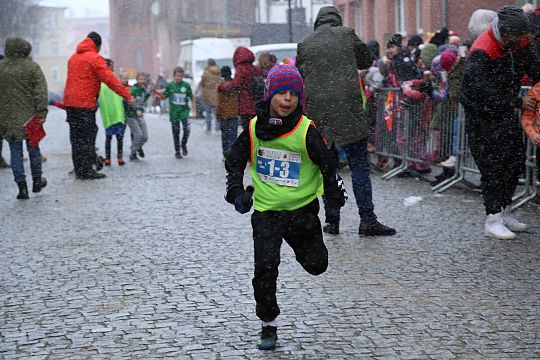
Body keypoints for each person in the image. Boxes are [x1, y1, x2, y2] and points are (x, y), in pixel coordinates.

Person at [225, 65, 345, 350]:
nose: (287, 100)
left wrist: (333, 197)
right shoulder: (254, 127)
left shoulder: (305, 130)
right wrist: (236, 193)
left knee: (317, 265)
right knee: (265, 268)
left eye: (293, 94)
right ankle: (268, 324)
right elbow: (234, 161)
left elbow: (328, 166)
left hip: (302, 211)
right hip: (266, 213)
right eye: (281, 93)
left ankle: (302, 248)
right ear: (270, 95)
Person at [296, 6, 396, 236]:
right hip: (349, 109)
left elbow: (301, 72)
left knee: (327, 168)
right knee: (359, 165)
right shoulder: (347, 34)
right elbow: (366, 60)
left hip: (319, 113)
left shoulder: (305, 44)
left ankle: (332, 220)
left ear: (317, 22)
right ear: (337, 20)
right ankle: (367, 219)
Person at [460, 5, 540, 240]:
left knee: (514, 160)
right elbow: (481, 91)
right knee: (493, 165)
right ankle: (492, 217)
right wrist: (517, 101)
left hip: (504, 111)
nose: (525, 41)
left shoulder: (520, 43)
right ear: (506, 34)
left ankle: (505, 210)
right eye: (520, 37)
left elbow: (535, 69)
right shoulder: (483, 50)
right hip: (481, 114)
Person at [64, 32, 134, 179]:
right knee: (87, 136)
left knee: (76, 138)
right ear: (98, 45)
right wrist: (127, 95)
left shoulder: (73, 58)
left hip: (71, 103)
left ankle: (79, 169)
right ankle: (87, 170)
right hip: (84, 103)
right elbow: (111, 80)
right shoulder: (95, 58)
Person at [0, 37, 48, 199]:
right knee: (33, 149)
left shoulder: (1, 68)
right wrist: (42, 113)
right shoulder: (32, 67)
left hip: (8, 118)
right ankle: (37, 180)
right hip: (31, 117)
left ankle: (22, 188)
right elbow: (41, 92)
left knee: (15, 152)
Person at [217, 47, 261, 130]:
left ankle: (249, 142)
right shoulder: (255, 68)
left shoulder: (241, 68)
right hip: (256, 100)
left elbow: (235, 84)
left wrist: (222, 86)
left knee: (247, 129)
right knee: (255, 127)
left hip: (245, 103)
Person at [98, 59, 126, 166]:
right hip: (111, 114)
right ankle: (110, 158)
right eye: (112, 66)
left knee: (117, 138)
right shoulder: (104, 81)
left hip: (116, 114)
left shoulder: (112, 80)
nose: (113, 68)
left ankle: (118, 158)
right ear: (107, 66)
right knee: (111, 138)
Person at [163, 66, 195, 158]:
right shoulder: (170, 86)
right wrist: (158, 95)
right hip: (174, 113)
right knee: (176, 132)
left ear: (183, 76)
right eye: (177, 76)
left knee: (186, 130)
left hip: (184, 112)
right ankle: (177, 151)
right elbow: (164, 96)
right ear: (174, 76)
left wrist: (194, 110)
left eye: (180, 76)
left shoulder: (186, 85)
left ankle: (183, 144)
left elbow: (192, 98)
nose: (178, 78)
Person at [126, 72, 150, 161]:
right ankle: (132, 154)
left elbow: (144, 100)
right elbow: (129, 100)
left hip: (140, 115)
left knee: (145, 137)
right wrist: (135, 109)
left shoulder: (143, 90)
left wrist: (149, 93)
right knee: (138, 135)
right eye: (140, 79)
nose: (142, 81)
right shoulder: (134, 89)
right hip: (131, 115)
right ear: (137, 80)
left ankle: (138, 147)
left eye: (144, 79)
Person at [216, 65, 239, 160]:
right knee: (233, 136)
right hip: (233, 114)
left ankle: (226, 154)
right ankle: (232, 154)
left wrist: (218, 114)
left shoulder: (220, 87)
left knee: (224, 136)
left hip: (224, 115)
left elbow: (219, 102)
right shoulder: (235, 85)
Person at [197, 59, 221, 133]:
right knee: (217, 113)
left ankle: (208, 128)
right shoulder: (219, 72)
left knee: (208, 112)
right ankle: (217, 128)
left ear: (208, 64)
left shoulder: (206, 72)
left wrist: (199, 87)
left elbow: (202, 82)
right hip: (217, 95)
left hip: (207, 95)